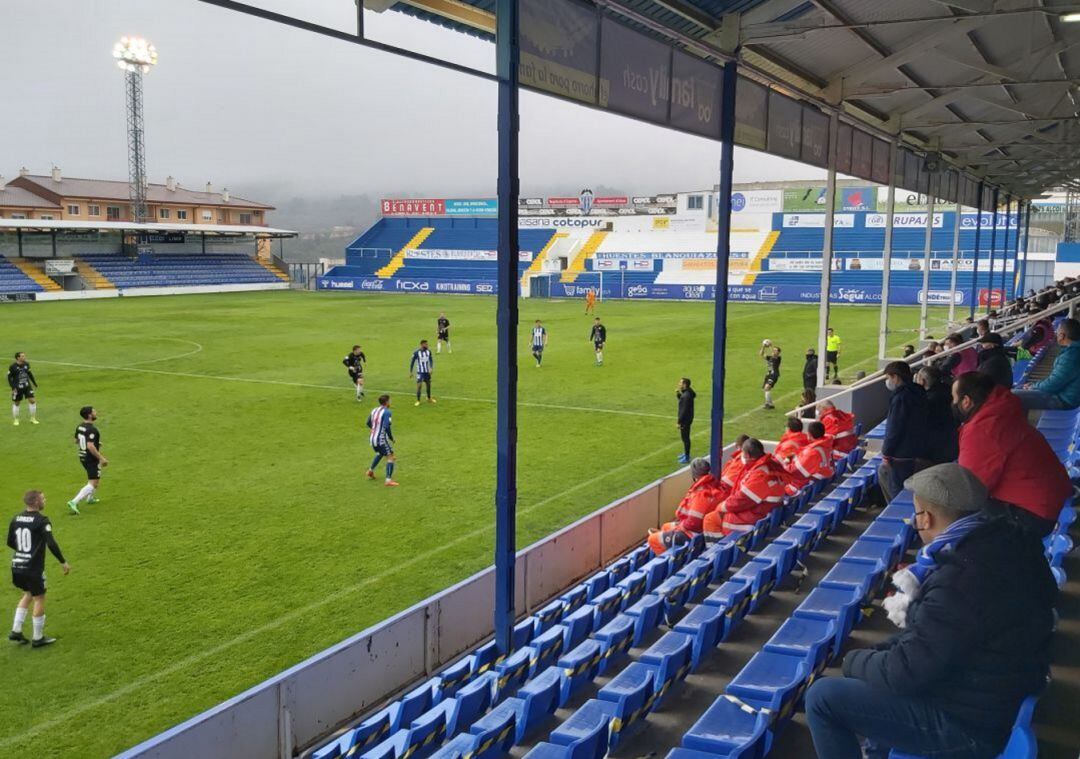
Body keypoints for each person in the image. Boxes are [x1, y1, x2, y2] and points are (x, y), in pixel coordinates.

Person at [805, 464, 1055, 759]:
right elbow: (933, 639)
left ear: (926, 518)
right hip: (998, 692)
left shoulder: (959, 580)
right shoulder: (1011, 544)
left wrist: (853, 661)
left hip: (971, 727)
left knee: (822, 698)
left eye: (916, 515)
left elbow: (904, 672)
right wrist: (877, 656)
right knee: (874, 671)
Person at [954, 372, 1072, 537]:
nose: (952, 403)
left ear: (966, 401)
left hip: (1034, 515)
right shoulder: (1002, 411)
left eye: (954, 398)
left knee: (954, 517)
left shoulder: (982, 429)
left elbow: (971, 488)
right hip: (1049, 498)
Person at [8, 490, 70, 648]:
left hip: (17, 566)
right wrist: (63, 562)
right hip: (32, 568)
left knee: (28, 593)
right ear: (36, 502)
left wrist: (24, 552)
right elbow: (51, 543)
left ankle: (16, 630)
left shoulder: (16, 518)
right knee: (39, 597)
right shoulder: (42, 521)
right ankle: (38, 637)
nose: (45, 500)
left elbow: (10, 542)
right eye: (43, 498)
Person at [702, 438, 789, 539]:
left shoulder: (760, 474)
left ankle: (718, 547)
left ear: (747, 455)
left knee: (710, 519)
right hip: (766, 512)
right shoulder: (769, 466)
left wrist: (722, 506)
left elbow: (742, 500)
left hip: (756, 517)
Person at [879, 361, 929, 502]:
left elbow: (894, 428)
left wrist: (886, 453)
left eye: (888, 378)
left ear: (895, 377)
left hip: (901, 454)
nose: (888, 381)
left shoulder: (901, 398)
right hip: (916, 447)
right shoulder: (919, 392)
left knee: (898, 491)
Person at [648, 458, 720, 555]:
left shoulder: (701, 493)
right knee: (665, 526)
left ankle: (669, 560)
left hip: (693, 533)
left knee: (652, 539)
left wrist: (679, 527)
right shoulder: (713, 485)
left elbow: (693, 522)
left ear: (694, 474)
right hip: (700, 530)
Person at [1014, 318, 1080, 410]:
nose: (1056, 334)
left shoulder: (1071, 356)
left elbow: (1053, 384)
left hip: (1064, 400)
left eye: (1057, 332)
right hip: (1066, 395)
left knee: (1013, 396)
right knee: (1019, 389)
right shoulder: (1073, 350)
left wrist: (1033, 386)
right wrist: (1035, 385)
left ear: (1062, 336)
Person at [67, 406, 107, 515]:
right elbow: (90, 446)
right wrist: (101, 458)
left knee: (95, 478)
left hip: (82, 456)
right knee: (93, 483)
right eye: (94, 411)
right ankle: (74, 502)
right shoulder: (92, 429)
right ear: (89, 415)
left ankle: (90, 498)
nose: (96, 412)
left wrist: (96, 443)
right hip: (91, 458)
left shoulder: (80, 426)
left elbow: (76, 441)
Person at [915, 366, 959, 464]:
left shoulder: (926, 401)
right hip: (952, 443)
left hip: (933, 450)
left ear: (922, 381)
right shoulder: (950, 391)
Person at [784, 421, 834, 492]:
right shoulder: (826, 444)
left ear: (809, 434)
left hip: (802, 487)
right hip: (821, 481)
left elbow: (795, 471)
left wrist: (786, 463)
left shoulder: (812, 452)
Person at [365, 394, 399, 487]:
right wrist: (391, 438)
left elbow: (368, 423)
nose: (391, 402)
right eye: (390, 400)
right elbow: (386, 426)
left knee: (380, 453)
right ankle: (388, 480)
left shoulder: (374, 410)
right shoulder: (387, 412)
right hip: (381, 439)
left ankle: (370, 471)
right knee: (390, 457)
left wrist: (374, 429)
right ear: (387, 402)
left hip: (372, 438)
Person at [8, 352, 38, 426]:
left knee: (32, 401)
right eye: (22, 356)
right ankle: (16, 419)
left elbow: (29, 374)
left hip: (27, 386)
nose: (24, 357)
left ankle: (33, 418)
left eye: (24, 356)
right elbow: (9, 378)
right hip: (17, 388)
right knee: (17, 403)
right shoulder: (12, 366)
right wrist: (13, 388)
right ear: (18, 358)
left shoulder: (26, 364)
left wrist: (34, 383)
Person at [718, 434, 750, 498]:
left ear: (736, 445)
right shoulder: (751, 460)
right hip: (731, 491)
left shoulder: (737, 460)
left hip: (725, 490)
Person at [409, 340, 436, 406]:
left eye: (427, 344)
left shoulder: (428, 351)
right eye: (426, 344)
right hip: (420, 372)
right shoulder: (416, 353)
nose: (427, 345)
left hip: (427, 372)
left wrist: (431, 368)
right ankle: (418, 400)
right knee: (419, 386)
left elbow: (431, 359)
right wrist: (411, 372)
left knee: (428, 385)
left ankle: (429, 398)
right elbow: (412, 362)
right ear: (422, 345)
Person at [675, 378, 695, 464]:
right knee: (685, 438)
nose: (679, 384)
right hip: (688, 418)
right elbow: (683, 401)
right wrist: (678, 394)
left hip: (685, 420)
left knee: (685, 438)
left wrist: (679, 422)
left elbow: (683, 410)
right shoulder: (688, 393)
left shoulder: (686, 396)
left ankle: (687, 457)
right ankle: (686, 454)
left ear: (685, 384)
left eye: (680, 383)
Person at [760, 343, 781, 410]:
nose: (774, 351)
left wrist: (770, 346)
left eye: (776, 350)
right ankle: (770, 404)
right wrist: (763, 347)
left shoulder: (778, 358)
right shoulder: (770, 358)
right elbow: (761, 354)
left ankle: (768, 404)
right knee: (766, 389)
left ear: (778, 352)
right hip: (768, 375)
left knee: (767, 388)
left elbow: (774, 354)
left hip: (774, 375)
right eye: (774, 350)